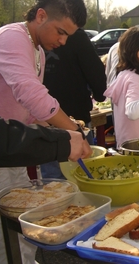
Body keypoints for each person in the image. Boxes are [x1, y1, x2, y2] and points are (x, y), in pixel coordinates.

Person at [0, 0, 88, 263]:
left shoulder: (35, 49)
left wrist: (66, 127)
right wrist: (71, 134)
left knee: (23, 222)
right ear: (40, 16)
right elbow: (33, 97)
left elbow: (27, 111)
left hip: (11, 147)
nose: (62, 41)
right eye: (60, 32)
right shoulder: (12, 37)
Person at [41, 27, 107, 178]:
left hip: (43, 121)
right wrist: (99, 94)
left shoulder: (37, 35)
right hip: (76, 117)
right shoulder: (76, 35)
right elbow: (95, 71)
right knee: (84, 176)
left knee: (52, 182)